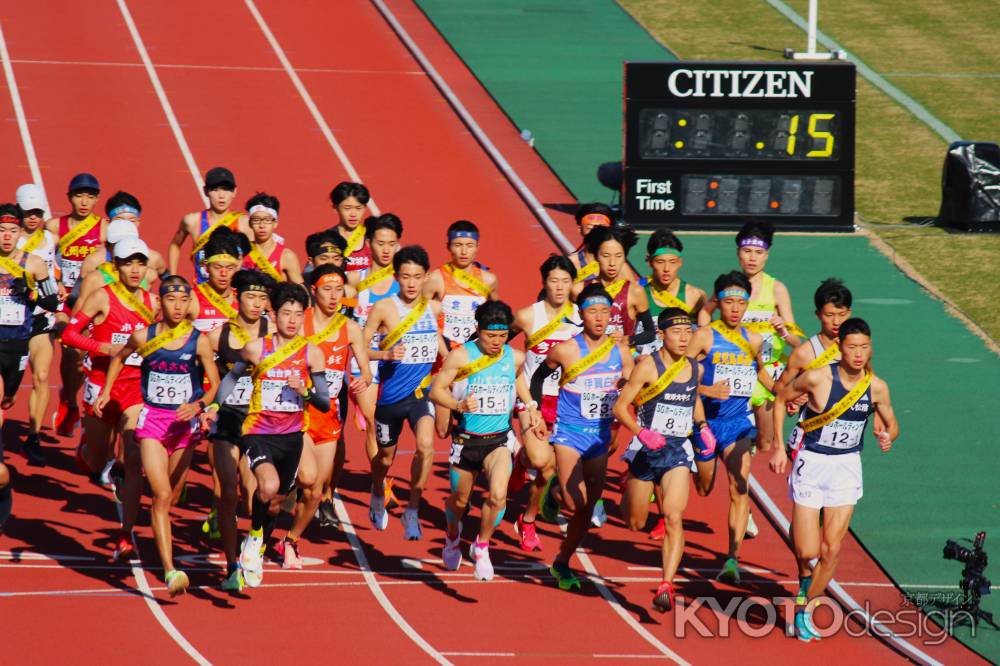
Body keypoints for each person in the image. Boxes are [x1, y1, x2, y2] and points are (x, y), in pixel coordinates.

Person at [769, 318, 898, 641]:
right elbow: (781, 399)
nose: (858, 354)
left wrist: (887, 436)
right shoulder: (817, 378)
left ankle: (805, 606)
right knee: (807, 548)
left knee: (832, 549)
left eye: (864, 348)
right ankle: (806, 580)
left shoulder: (877, 386)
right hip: (811, 463)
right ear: (839, 348)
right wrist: (778, 447)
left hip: (846, 467)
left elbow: (891, 422)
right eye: (852, 347)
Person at [96, 275, 219, 596]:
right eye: (171, 300)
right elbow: (120, 356)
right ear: (160, 303)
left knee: (174, 495)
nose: (177, 307)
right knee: (161, 496)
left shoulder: (198, 340)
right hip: (152, 423)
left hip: (184, 427)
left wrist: (200, 404)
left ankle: (130, 487)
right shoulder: (143, 336)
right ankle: (170, 570)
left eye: (183, 300)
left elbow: (215, 383)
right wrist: (107, 391)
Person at [213, 283, 330, 588]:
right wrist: (214, 404)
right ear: (273, 315)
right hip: (257, 430)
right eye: (285, 313)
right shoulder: (256, 349)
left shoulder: (311, 353)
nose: (291, 320)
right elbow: (232, 377)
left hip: (291, 436)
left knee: (276, 501)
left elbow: (324, 401)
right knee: (268, 485)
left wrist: (304, 390)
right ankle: (254, 539)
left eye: (297, 314)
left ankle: (261, 542)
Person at [530, 282, 634, 590]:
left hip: (600, 437)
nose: (600, 318)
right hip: (570, 434)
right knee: (576, 503)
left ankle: (562, 562)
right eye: (593, 312)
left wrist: (627, 383)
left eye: (605, 311)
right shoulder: (566, 349)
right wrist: (535, 408)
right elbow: (539, 375)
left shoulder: (618, 349)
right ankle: (553, 490)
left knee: (587, 512)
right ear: (581, 314)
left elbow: (630, 376)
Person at [62, 237, 159, 561]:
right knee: (95, 459)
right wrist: (104, 348)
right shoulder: (102, 298)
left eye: (140, 263)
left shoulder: (152, 302)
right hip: (102, 386)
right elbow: (69, 334)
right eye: (128, 263)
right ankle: (88, 449)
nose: (134, 269)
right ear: (115, 266)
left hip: (136, 390)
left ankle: (125, 532)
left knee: (134, 459)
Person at [431, 300, 541, 579]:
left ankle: (481, 545)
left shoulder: (514, 357)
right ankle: (453, 536)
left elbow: (518, 381)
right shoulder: (461, 356)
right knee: (459, 500)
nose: (497, 342)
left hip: (498, 441)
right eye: (491, 336)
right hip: (466, 442)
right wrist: (458, 406)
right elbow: (437, 390)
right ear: (478, 330)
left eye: (502, 336)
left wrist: (530, 406)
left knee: (498, 495)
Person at [614, 308, 713, 612]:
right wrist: (640, 432)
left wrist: (703, 427)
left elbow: (693, 399)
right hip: (646, 449)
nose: (684, 338)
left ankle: (666, 584)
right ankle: (626, 488)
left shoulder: (695, 369)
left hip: (676, 451)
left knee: (673, 517)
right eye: (676, 332)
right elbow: (620, 408)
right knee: (634, 522)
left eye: (688, 332)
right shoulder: (647, 367)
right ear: (661, 335)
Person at [275, 265, 371, 568]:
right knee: (307, 477)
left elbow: (365, 370)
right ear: (313, 291)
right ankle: (264, 526)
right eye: (327, 289)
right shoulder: (298, 322)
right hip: (296, 414)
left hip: (329, 417)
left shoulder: (350, 328)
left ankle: (290, 540)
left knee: (316, 491)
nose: (333, 296)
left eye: (339, 290)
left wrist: (361, 380)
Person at [687, 271, 770, 583]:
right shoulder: (704, 336)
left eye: (741, 302)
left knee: (739, 487)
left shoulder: (753, 339)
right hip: (704, 424)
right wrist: (707, 392)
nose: (736, 308)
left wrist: (786, 391)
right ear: (718, 303)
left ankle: (732, 559)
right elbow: (681, 375)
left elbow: (760, 373)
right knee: (705, 489)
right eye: (729, 301)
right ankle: (696, 470)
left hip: (738, 424)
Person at [364, 245, 446, 540]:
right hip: (389, 399)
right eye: (406, 277)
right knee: (385, 458)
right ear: (397, 277)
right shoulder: (384, 308)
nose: (411, 283)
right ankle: (377, 492)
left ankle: (412, 511)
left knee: (426, 446)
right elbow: (361, 349)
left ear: (426, 278)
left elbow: (438, 343)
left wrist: (451, 364)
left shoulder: (433, 309)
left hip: (420, 395)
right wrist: (384, 355)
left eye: (417, 276)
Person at [204, 269, 276, 591]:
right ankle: (232, 566)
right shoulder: (216, 336)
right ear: (237, 296)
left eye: (262, 297)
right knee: (227, 492)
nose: (257, 303)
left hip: (258, 422)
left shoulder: (273, 333)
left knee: (254, 495)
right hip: (226, 420)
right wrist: (206, 405)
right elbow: (204, 375)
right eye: (251, 296)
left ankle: (253, 543)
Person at [508, 255, 581, 552]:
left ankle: (527, 520)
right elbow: (497, 338)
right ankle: (524, 459)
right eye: (554, 281)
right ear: (544, 283)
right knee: (541, 461)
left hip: (567, 402)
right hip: (532, 398)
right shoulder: (528, 316)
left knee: (551, 471)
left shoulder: (581, 317)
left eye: (565, 281)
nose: (560, 287)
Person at [347, 214, 403, 507]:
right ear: (368, 244)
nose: (385, 250)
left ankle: (382, 468)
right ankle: (380, 484)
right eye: (379, 243)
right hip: (363, 358)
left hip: (395, 360)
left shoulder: (403, 282)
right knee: (373, 421)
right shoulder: (356, 280)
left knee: (391, 428)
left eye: (391, 244)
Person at [47, 173, 107, 437]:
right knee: (70, 353)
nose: (84, 201)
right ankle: (70, 401)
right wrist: (54, 282)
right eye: (79, 195)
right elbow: (44, 260)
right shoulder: (53, 227)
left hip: (89, 301)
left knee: (83, 359)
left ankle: (72, 399)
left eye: (90, 196)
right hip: (63, 302)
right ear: (69, 197)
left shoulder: (104, 229)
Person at [0, 204, 59, 465]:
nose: (6, 236)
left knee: (8, 397)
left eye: (12, 231)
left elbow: (52, 301)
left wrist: (30, 293)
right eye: (1, 230)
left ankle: (32, 436)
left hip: (20, 340)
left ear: (20, 233)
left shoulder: (33, 263)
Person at [15, 186, 62, 464]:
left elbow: (55, 272)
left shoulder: (51, 240)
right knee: (7, 388)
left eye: (38, 213)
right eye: (28, 213)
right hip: (12, 319)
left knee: (42, 376)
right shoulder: (9, 240)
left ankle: (33, 437)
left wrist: (58, 293)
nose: (33, 218)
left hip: (41, 318)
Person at [572, 225, 654, 349]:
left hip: (622, 362)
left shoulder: (635, 292)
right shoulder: (579, 290)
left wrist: (628, 339)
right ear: (596, 256)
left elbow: (650, 333)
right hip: (588, 361)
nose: (612, 263)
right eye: (605, 255)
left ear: (625, 257)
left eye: (618, 256)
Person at [167, 166, 251, 282]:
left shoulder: (245, 223)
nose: (221, 195)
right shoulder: (192, 221)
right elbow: (175, 245)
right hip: (202, 293)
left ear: (235, 192)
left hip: (233, 294)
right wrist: (172, 276)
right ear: (205, 191)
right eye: (215, 189)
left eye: (226, 189)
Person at [424, 220, 499, 349]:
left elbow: (497, 316)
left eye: (470, 245)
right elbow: (419, 315)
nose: (464, 251)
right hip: (444, 354)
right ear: (448, 246)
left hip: (476, 354)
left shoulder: (489, 280)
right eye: (458, 245)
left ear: (477, 246)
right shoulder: (436, 278)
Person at [641, 229, 709, 327]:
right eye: (660, 262)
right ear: (650, 263)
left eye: (672, 262)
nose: (666, 269)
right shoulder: (638, 294)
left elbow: (706, 336)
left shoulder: (696, 296)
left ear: (680, 262)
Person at [188, 229, 245, 333]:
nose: (224, 273)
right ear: (206, 267)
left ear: (236, 268)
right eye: (218, 267)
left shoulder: (243, 299)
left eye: (229, 268)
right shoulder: (193, 297)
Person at [567, 203, 639, 284]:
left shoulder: (620, 267)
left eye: (601, 228)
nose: (596, 232)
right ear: (580, 229)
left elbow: (634, 292)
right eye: (590, 228)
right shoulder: (570, 264)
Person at [241, 192, 302, 284]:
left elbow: (301, 291)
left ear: (275, 223)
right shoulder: (243, 252)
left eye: (267, 220)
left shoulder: (286, 256)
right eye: (256, 220)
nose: (262, 225)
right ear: (250, 223)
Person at [328, 181, 372, 273]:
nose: (353, 214)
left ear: (365, 208)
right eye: (347, 208)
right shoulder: (327, 239)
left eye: (358, 208)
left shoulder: (373, 237)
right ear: (335, 207)